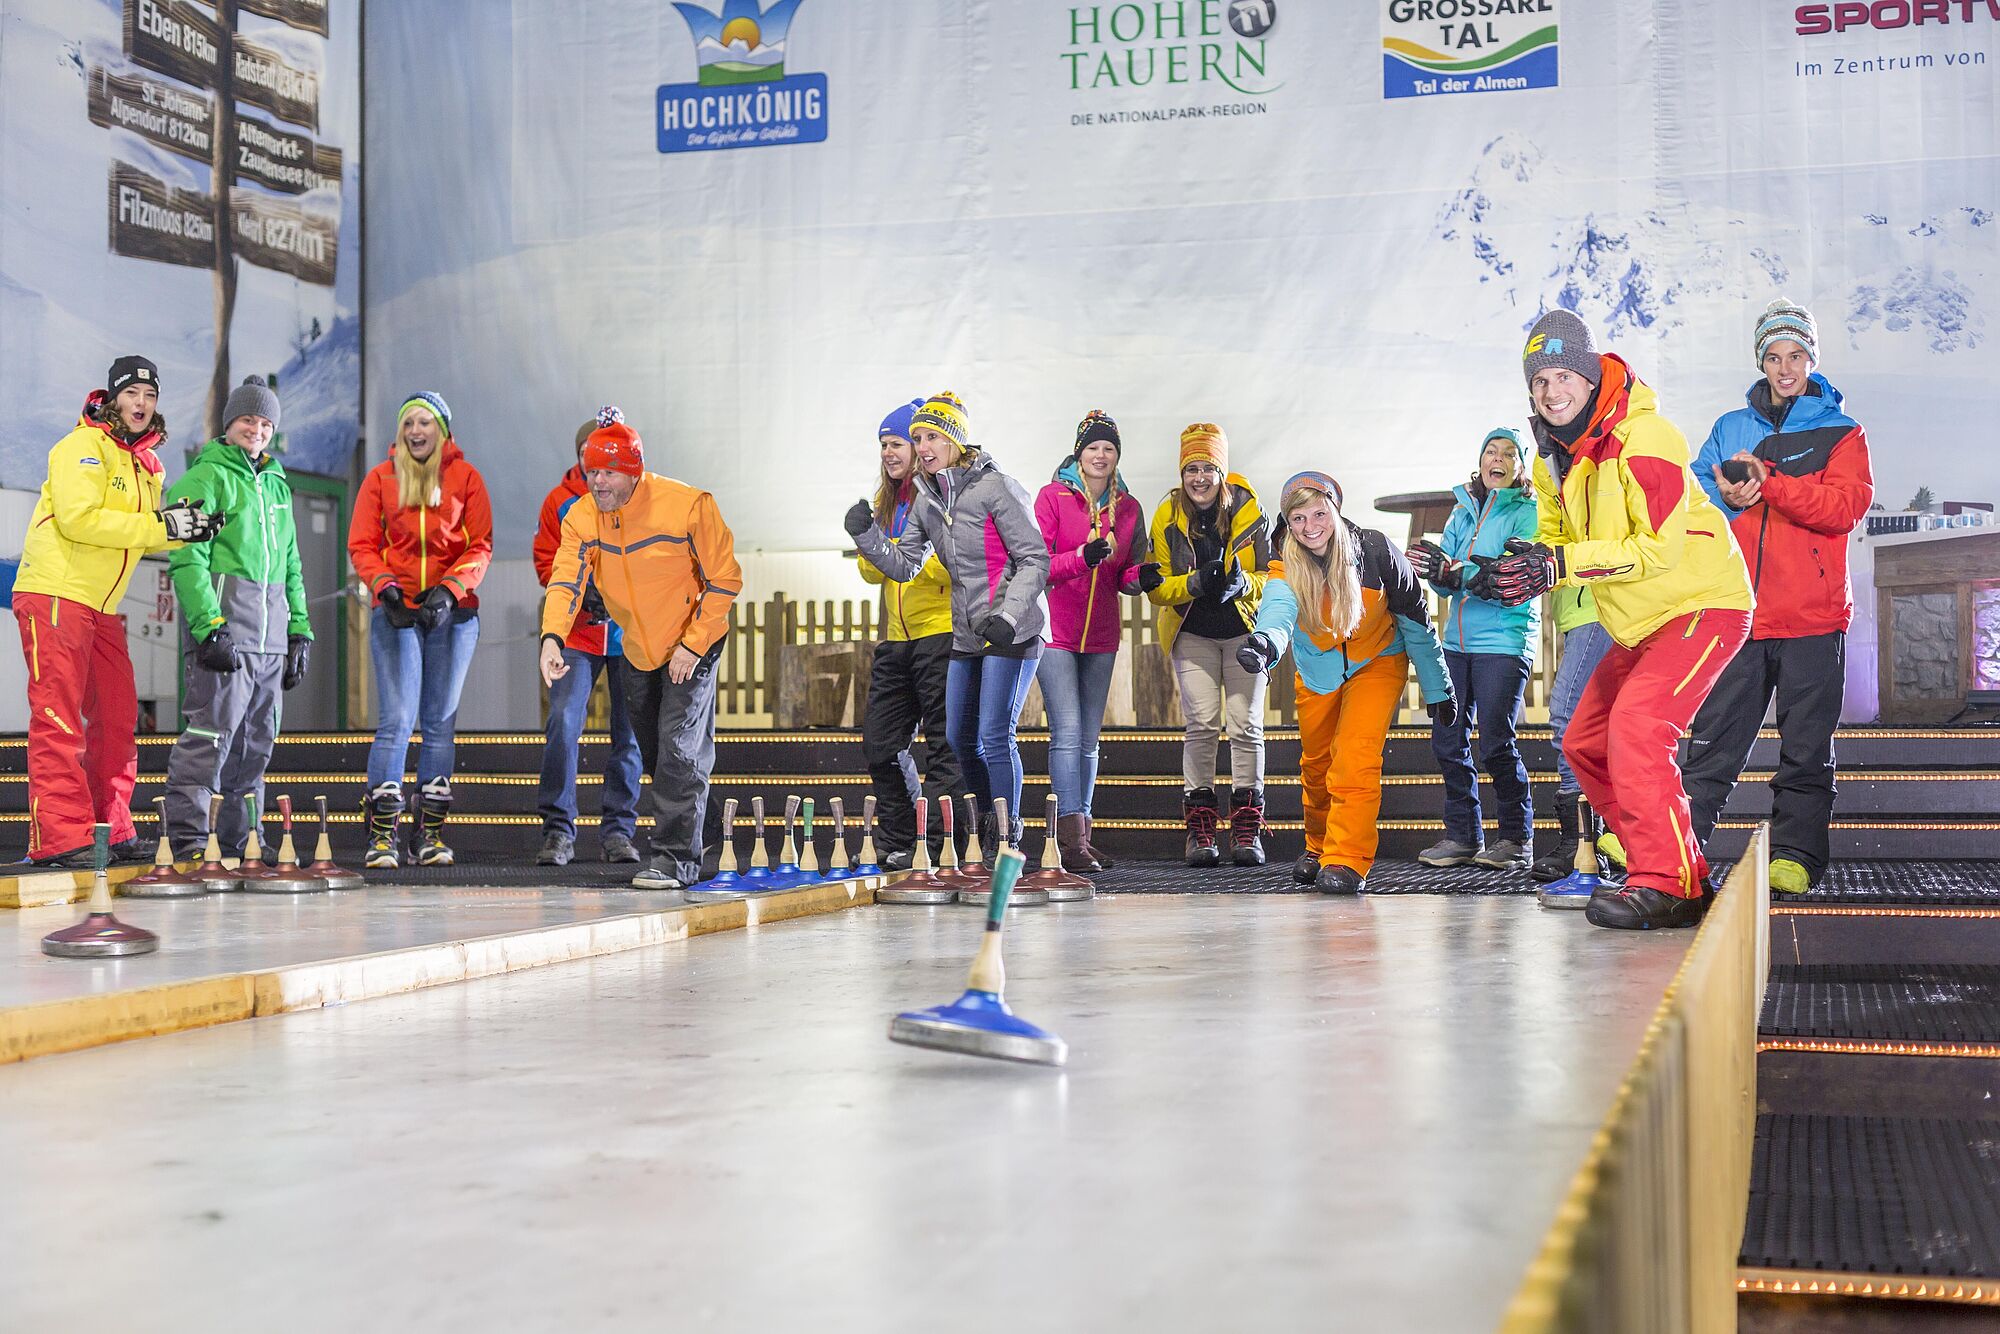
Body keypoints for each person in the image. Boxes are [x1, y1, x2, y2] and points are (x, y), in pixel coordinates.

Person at [1485, 309, 1753, 930]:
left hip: (1701, 603)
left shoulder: (1646, 435)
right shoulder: (1557, 452)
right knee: (1583, 741)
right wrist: (1509, 567)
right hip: (1641, 618)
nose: (1552, 392)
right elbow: (1553, 536)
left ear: (1587, 373)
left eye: (1562, 375)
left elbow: (1658, 549)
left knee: (1636, 728)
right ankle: (1671, 867)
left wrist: (1558, 564)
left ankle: (1666, 883)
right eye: (1539, 381)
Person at [1684, 299, 1873, 894]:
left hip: (1814, 617)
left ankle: (1795, 856)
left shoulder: (1843, 432)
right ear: (1761, 361)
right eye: (1773, 355)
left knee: (1806, 748)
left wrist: (1772, 486)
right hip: (1739, 613)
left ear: (1811, 359)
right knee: (1712, 738)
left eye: (1795, 355)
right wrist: (1726, 499)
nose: (1784, 366)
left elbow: (1845, 508)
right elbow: (1695, 495)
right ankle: (1675, 846)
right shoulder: (1730, 428)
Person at [13, 356, 223, 866]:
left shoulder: (149, 465)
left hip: (101, 606)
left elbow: (144, 530)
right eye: (132, 394)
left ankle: (110, 827)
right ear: (112, 398)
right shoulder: (81, 446)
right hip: (56, 593)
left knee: (117, 715)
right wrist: (164, 528)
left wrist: (188, 528)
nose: (142, 405)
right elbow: (81, 520)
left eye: (150, 397)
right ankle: (62, 839)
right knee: (58, 718)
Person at [541, 420, 742, 890]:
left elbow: (725, 579)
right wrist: (553, 636)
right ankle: (707, 828)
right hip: (637, 646)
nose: (598, 482)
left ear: (633, 471)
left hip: (694, 639)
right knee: (655, 751)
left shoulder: (688, 505)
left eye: (610, 472)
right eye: (592, 472)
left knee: (678, 746)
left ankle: (676, 860)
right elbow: (566, 578)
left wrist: (693, 644)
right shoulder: (582, 516)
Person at [846, 391, 1049, 851]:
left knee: (995, 734)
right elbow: (905, 567)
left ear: (955, 439)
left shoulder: (997, 487)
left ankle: (1008, 833)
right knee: (959, 740)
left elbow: (1035, 558)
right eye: (917, 437)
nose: (922, 446)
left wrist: (1008, 613)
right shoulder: (927, 500)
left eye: (932, 436)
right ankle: (982, 825)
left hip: (1012, 629)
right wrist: (867, 536)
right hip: (966, 634)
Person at [1237, 472, 1454, 893]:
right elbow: (1278, 611)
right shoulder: (1285, 562)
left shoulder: (1376, 552)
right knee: (1318, 766)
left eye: (1319, 514)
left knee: (1354, 757)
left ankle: (1346, 859)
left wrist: (1437, 687)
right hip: (1318, 670)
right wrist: (1265, 644)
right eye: (1298, 518)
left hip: (1377, 662)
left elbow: (1417, 622)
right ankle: (1318, 846)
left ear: (1336, 512)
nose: (1310, 527)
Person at [161, 376, 313, 860]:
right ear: (230, 424)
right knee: (208, 742)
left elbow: (291, 564)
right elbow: (187, 557)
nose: (258, 428)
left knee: (255, 749)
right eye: (249, 419)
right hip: (224, 639)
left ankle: (244, 842)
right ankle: (185, 845)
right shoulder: (205, 477)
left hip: (268, 644)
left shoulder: (277, 485)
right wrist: (209, 626)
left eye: (266, 422)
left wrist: (299, 631)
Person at [347, 392, 492, 868]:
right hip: (398, 614)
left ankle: (428, 836)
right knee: (397, 720)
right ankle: (381, 837)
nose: (415, 431)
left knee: (439, 725)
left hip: (452, 615)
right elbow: (362, 543)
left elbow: (480, 545)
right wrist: (385, 588)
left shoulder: (466, 478)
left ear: (442, 430)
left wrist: (450, 591)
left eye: (424, 422)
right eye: (408, 421)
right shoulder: (380, 478)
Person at [1405, 428, 1539, 872]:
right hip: (1455, 644)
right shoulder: (1462, 510)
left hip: (1504, 642)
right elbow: (1447, 576)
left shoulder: (1528, 510)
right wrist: (1436, 574)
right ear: (1480, 460)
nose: (1497, 459)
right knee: (1447, 740)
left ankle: (1516, 838)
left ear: (1520, 465)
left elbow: (1506, 575)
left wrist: (1456, 573)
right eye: (1490, 451)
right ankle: (1463, 836)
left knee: (1496, 741)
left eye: (1508, 453)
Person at [1142, 423, 1271, 867]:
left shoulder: (1249, 510)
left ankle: (1246, 827)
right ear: (1182, 473)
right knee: (1201, 723)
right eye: (1191, 469)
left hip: (1242, 631)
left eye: (1208, 469)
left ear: (1222, 471)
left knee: (1245, 725)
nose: (1200, 478)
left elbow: (1271, 577)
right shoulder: (1166, 515)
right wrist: (1193, 583)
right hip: (1192, 631)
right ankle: (1200, 830)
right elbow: (1158, 587)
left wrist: (1242, 585)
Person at [1034, 409, 1148, 872]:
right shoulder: (1052, 498)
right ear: (1079, 453)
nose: (1100, 456)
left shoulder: (1130, 507)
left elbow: (1126, 574)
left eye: (1109, 448)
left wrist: (1145, 577)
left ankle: (1082, 833)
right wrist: (1080, 558)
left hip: (1101, 633)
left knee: (1088, 738)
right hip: (1056, 631)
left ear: (1116, 455)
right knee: (1067, 732)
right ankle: (1066, 836)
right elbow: (1037, 564)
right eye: (1093, 447)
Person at [855, 398, 966, 871]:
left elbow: (954, 564)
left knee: (944, 746)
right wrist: (877, 546)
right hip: (896, 638)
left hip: (941, 633)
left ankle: (944, 845)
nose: (890, 452)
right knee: (880, 744)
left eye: (897, 442)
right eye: (886, 444)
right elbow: (868, 570)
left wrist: (901, 558)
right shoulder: (887, 502)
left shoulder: (941, 495)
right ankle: (901, 837)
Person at [531, 409, 645, 868]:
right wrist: (582, 598)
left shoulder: (638, 500)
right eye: (587, 456)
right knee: (563, 720)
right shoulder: (561, 502)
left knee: (629, 733)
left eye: (605, 458)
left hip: (628, 634)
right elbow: (547, 561)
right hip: (577, 633)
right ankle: (559, 829)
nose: (596, 467)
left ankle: (619, 829)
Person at [1528, 585, 1612, 882]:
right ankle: (1596, 841)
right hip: (1580, 611)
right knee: (1594, 722)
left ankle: (1582, 843)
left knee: (1569, 714)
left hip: (1597, 607)